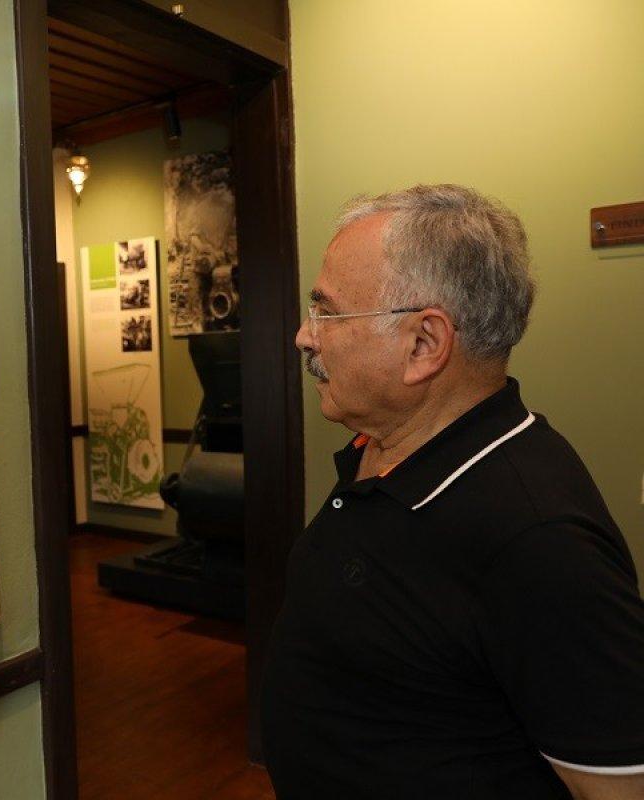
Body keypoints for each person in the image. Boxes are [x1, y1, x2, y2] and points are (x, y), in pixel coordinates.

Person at [260, 185, 644, 800]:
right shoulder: (382, 445)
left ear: (423, 345)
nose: (307, 337)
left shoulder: (538, 538)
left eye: (326, 311)